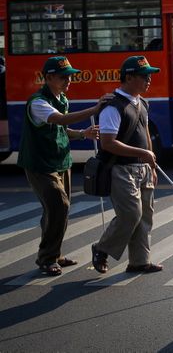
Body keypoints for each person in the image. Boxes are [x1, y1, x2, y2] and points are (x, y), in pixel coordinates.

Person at [17, 56, 111, 276]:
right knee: (60, 205)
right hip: (40, 164)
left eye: (70, 76)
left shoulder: (62, 98)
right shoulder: (38, 102)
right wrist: (94, 109)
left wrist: (82, 134)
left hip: (61, 160)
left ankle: (54, 253)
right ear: (48, 77)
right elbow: (60, 120)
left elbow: (61, 129)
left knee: (57, 211)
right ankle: (46, 258)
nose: (68, 80)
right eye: (63, 77)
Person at [91, 56, 163, 274]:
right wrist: (143, 153)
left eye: (150, 75)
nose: (148, 80)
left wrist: (151, 164)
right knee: (131, 214)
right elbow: (108, 143)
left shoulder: (142, 103)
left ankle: (139, 261)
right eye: (144, 76)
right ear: (128, 77)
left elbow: (146, 134)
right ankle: (102, 249)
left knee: (145, 215)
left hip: (143, 168)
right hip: (121, 169)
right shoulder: (113, 106)